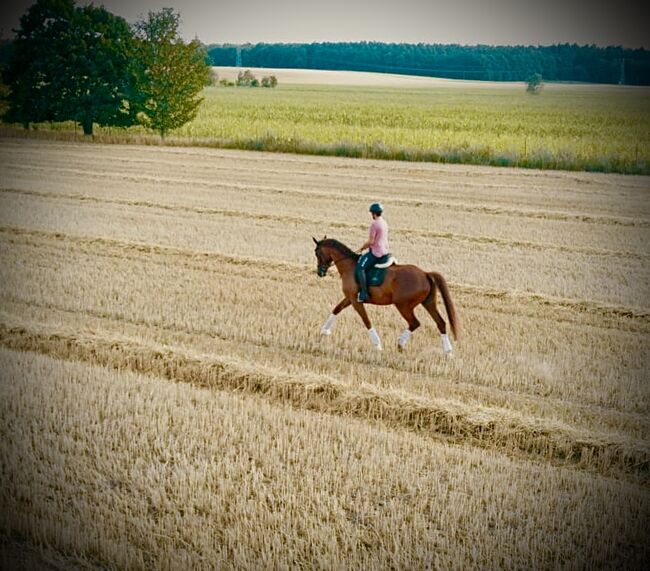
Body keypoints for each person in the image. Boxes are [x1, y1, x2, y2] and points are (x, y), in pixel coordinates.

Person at [356, 202, 389, 302]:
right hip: (385, 250)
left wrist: (361, 248)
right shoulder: (384, 222)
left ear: (373, 213)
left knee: (360, 267)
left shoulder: (374, 224)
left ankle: (364, 293)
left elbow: (371, 241)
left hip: (376, 252)